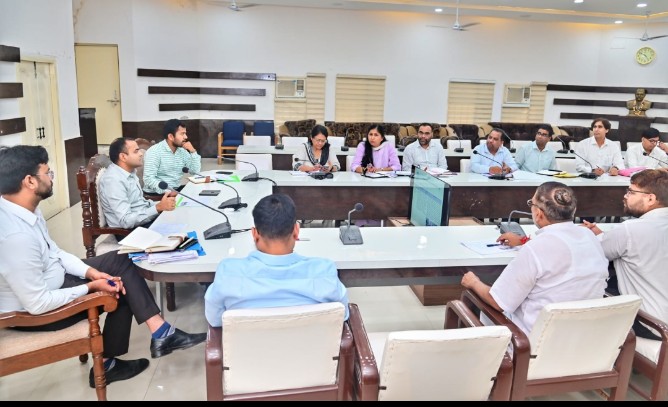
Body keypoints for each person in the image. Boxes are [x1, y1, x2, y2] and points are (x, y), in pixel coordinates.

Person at [0, 145, 206, 388]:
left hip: (54, 278)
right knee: (119, 285)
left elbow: (55, 252)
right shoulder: (15, 236)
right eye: (48, 173)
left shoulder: (26, 209)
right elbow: (38, 304)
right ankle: (115, 360)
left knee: (122, 260)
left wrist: (91, 272)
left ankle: (160, 333)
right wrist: (91, 287)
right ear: (30, 181)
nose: (52, 178)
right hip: (40, 312)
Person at [460, 181, 608, 335]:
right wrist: (523, 241)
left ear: (538, 213)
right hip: (585, 339)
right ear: (573, 210)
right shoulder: (590, 236)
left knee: (479, 299)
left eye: (531, 203)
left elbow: (497, 303)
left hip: (528, 342)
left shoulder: (535, 249)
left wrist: (473, 282)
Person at [204, 193, 349, 327]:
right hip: (311, 347)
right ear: (296, 231)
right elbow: (343, 315)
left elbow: (215, 320)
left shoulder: (228, 273)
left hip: (250, 347)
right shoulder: (324, 271)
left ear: (254, 234)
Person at [582, 169, 668, 340]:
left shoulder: (631, 229)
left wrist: (585, 235)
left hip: (653, 324)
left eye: (631, 192)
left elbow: (593, 252)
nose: (625, 196)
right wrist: (602, 235)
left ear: (650, 199)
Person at [99, 137, 177, 230]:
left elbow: (140, 204)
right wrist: (158, 208)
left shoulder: (129, 172)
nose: (141, 154)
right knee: (179, 230)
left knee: (180, 218)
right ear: (123, 157)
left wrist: (163, 204)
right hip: (130, 231)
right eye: (136, 151)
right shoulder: (113, 180)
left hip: (142, 222)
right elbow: (126, 221)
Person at [143, 118, 201, 195]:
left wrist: (193, 151)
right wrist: (168, 192)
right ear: (171, 136)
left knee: (199, 191)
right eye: (182, 134)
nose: (186, 137)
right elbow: (148, 179)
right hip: (157, 193)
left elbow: (195, 171)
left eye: (185, 133)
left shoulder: (182, 151)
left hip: (175, 189)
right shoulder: (154, 151)